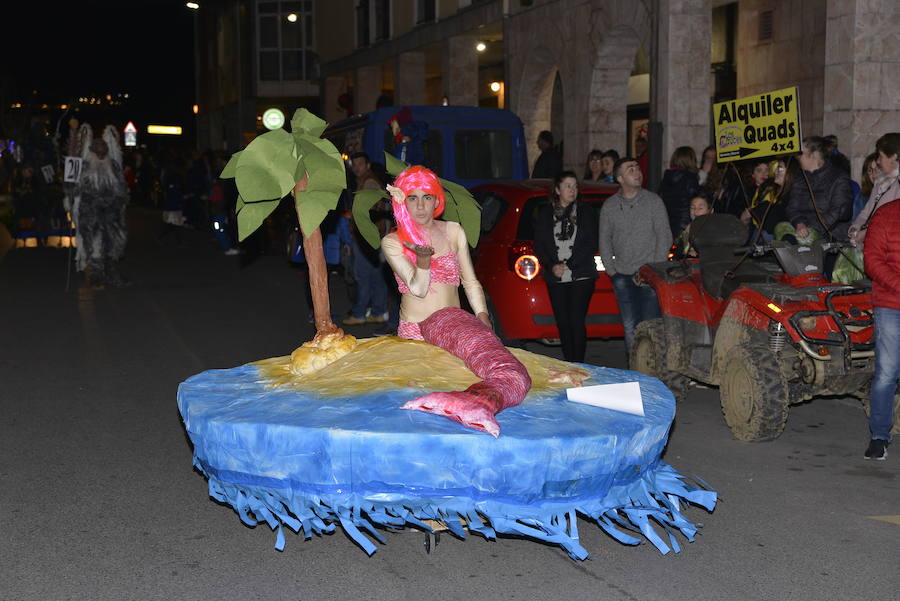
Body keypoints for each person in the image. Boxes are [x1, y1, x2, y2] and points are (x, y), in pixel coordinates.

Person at [381, 165, 490, 341]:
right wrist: (423, 261)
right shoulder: (392, 242)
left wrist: (483, 317)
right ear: (402, 201)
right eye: (413, 198)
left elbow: (470, 282)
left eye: (427, 197)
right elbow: (419, 289)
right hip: (415, 333)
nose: (421, 206)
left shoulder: (454, 231)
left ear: (437, 201)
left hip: (453, 328)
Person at [599, 157, 672, 353]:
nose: (637, 171)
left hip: (648, 275)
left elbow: (664, 236)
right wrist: (611, 270)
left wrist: (654, 269)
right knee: (630, 326)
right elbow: (604, 239)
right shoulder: (610, 206)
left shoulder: (653, 201)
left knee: (651, 326)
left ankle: (652, 371)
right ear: (620, 178)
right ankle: (635, 370)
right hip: (622, 275)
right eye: (630, 169)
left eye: (637, 167)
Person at [532, 171, 599, 363]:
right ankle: (569, 362)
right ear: (557, 190)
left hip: (581, 273)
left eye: (575, 186)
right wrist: (552, 265)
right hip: (555, 275)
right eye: (568, 186)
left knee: (576, 320)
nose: (572, 190)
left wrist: (568, 264)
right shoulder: (546, 213)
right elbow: (540, 244)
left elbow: (590, 242)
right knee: (563, 322)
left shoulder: (585, 212)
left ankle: (579, 363)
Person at [861, 195, 900, 460]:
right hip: (891, 304)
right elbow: (872, 261)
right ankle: (879, 435)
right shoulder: (886, 214)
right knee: (887, 373)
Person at [74, 136, 130, 287]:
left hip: (112, 215)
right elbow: (74, 188)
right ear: (92, 149)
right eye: (98, 146)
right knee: (96, 246)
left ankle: (112, 274)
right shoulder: (84, 167)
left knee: (113, 246)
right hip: (92, 215)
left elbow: (122, 188)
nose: (102, 149)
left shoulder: (113, 165)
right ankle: (97, 276)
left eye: (104, 146)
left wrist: (120, 202)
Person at [343, 152, 389, 326]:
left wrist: (357, 217)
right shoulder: (365, 180)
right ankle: (379, 311)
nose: (356, 168)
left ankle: (360, 313)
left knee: (362, 276)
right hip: (372, 236)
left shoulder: (369, 182)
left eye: (360, 164)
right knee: (376, 275)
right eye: (354, 164)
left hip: (366, 237)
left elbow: (375, 205)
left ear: (367, 165)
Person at [782, 136, 853, 243]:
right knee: (781, 232)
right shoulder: (800, 178)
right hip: (803, 230)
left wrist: (810, 228)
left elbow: (839, 211)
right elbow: (792, 207)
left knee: (795, 243)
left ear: (814, 155)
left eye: (801, 154)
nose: (797, 157)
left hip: (831, 234)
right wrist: (799, 223)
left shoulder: (839, 178)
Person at [849, 132, 900, 251]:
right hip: (875, 245)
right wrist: (856, 228)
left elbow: (892, 224)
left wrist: (866, 233)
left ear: (893, 157)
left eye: (881, 156)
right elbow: (866, 212)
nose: (877, 161)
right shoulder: (881, 182)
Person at [658, 146, 701, 237]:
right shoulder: (690, 178)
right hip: (686, 225)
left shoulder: (666, 178)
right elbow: (696, 199)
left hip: (668, 225)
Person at [673, 193, 713, 259]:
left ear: (711, 211)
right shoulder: (688, 228)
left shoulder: (714, 229)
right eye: (692, 208)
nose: (695, 211)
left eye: (700, 208)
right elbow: (677, 248)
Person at [852, 152, 880, 221]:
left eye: (877, 169)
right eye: (870, 171)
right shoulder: (862, 197)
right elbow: (856, 221)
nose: (873, 174)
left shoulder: (894, 192)